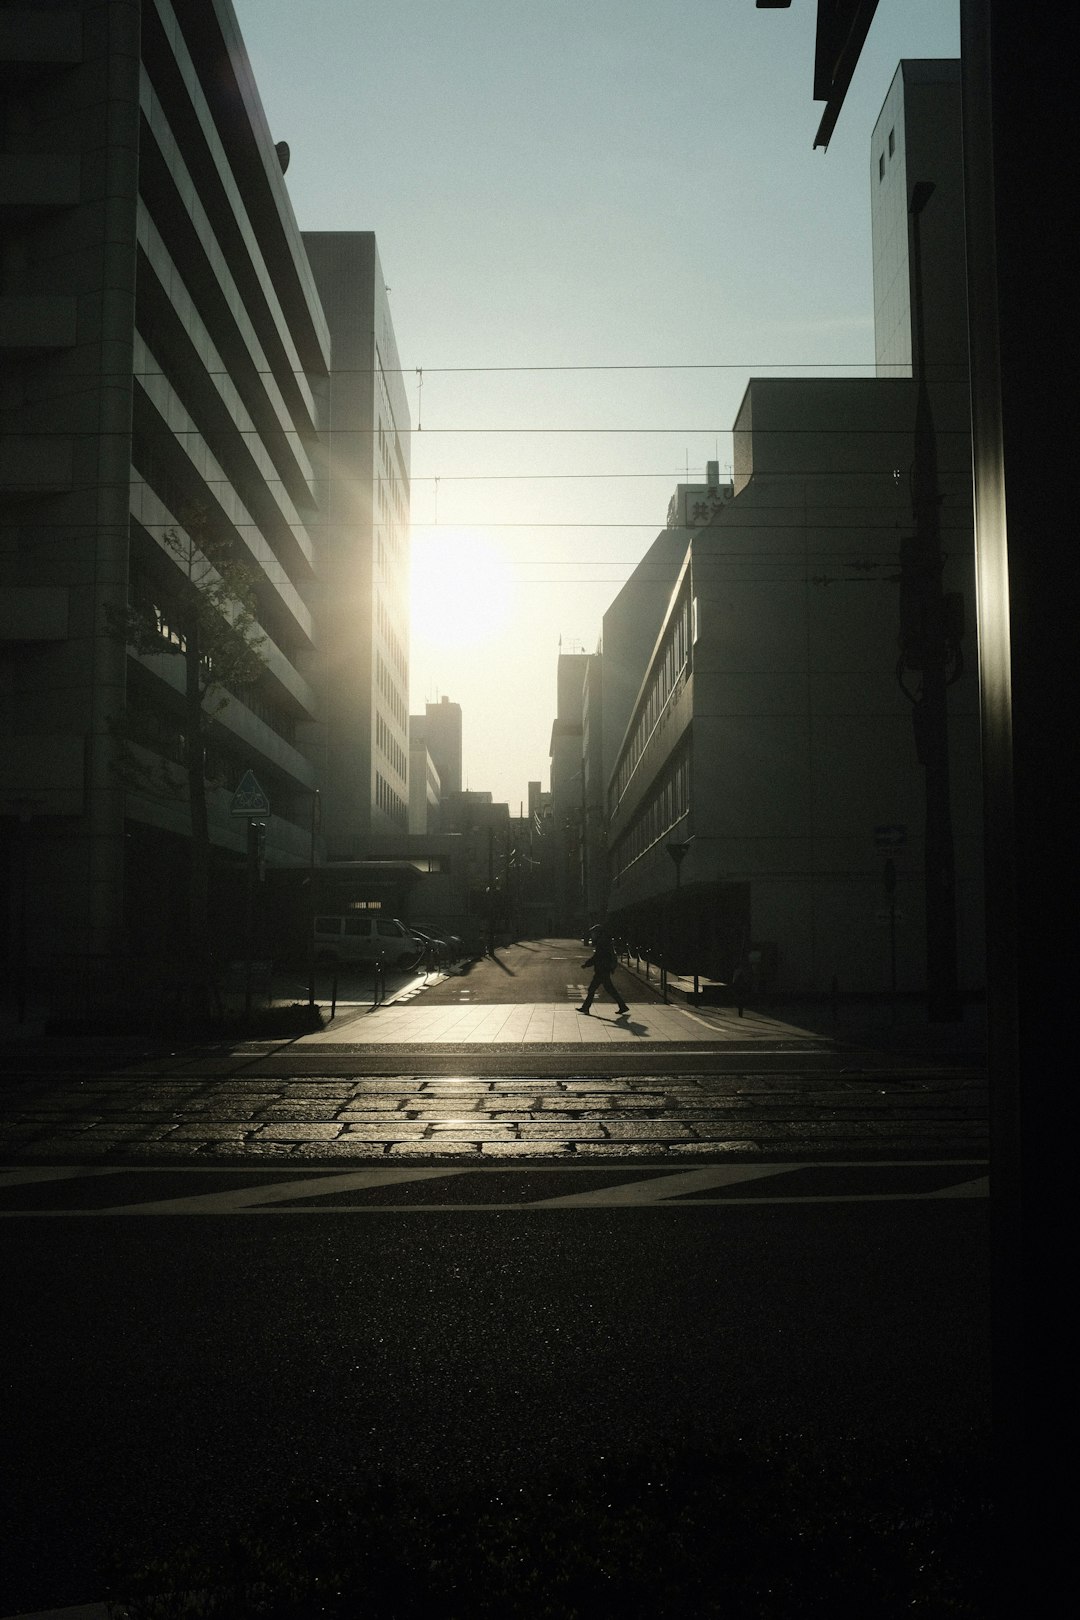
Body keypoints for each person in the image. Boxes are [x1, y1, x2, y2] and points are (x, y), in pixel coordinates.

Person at [578, 922, 629, 1016]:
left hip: (602, 970)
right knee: (609, 989)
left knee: (592, 989)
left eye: (593, 933)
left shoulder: (602, 943)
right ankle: (622, 1006)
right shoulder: (604, 941)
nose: (592, 935)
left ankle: (585, 1008)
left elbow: (597, 957)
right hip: (604, 969)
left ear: (598, 933)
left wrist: (586, 964)